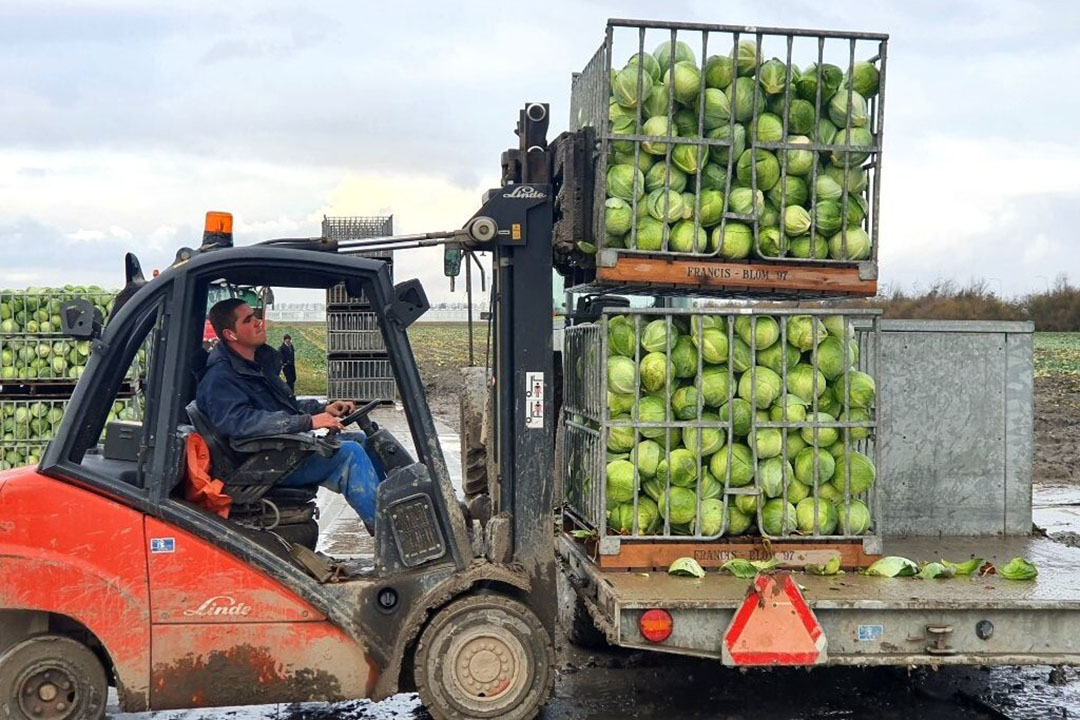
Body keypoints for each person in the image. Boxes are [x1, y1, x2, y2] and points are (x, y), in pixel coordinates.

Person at [196, 299, 382, 532]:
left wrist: (323, 409)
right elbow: (242, 422)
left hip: (279, 452)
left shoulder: (254, 366)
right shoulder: (221, 379)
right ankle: (390, 535)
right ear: (230, 334)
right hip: (262, 464)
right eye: (248, 320)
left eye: (255, 316)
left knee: (362, 441)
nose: (258, 322)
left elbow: (282, 408)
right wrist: (309, 422)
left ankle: (396, 515)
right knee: (349, 455)